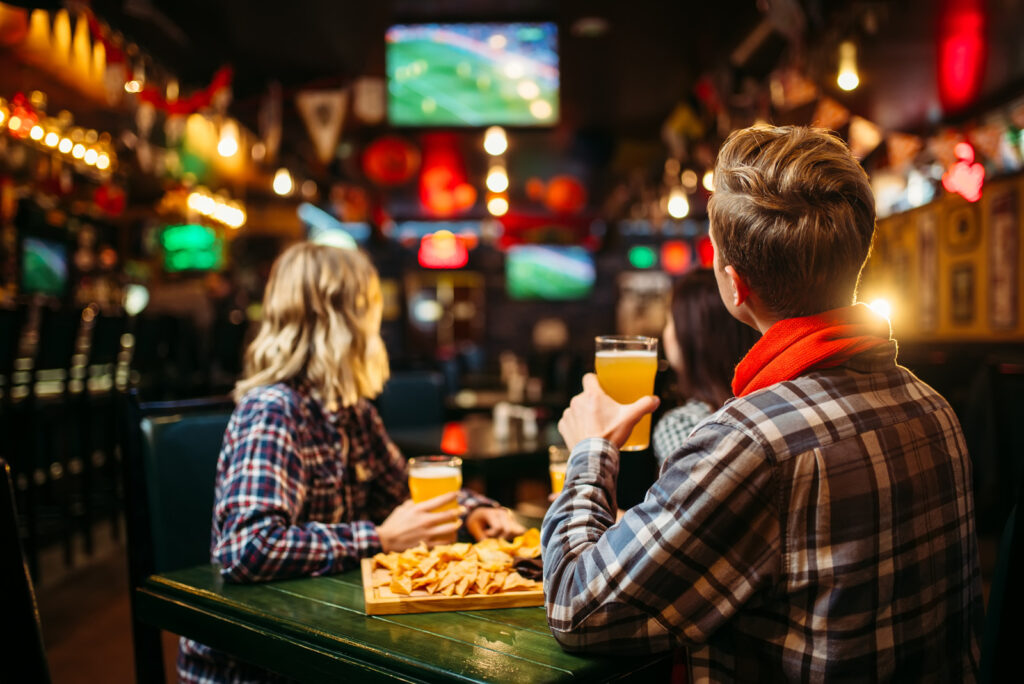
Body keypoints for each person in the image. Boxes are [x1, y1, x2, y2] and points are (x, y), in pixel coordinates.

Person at [543, 125, 982, 682]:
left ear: (734, 284)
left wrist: (589, 451)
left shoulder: (749, 442)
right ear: (857, 258)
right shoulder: (934, 407)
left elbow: (578, 610)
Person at [179, 243, 523, 683]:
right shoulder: (272, 410)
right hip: (255, 664)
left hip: (318, 638)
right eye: (369, 309)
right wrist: (378, 537)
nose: (375, 326)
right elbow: (245, 548)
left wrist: (475, 510)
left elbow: (405, 488)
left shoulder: (353, 412)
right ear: (341, 321)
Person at [652, 269, 758, 467]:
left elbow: (686, 497)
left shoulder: (682, 424)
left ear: (690, 335)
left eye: (669, 321)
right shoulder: (768, 405)